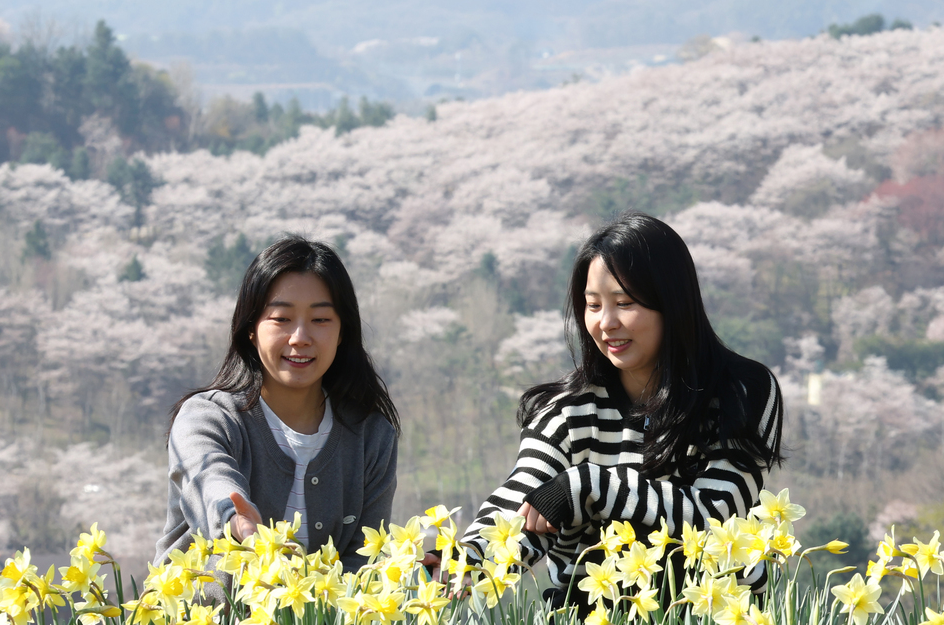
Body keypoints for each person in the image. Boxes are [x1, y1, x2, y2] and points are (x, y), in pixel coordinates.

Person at [464, 212, 783, 603]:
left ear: (672, 303)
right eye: (593, 305)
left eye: (624, 303)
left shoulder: (741, 392)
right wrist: (461, 561)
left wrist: (586, 486)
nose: (606, 323)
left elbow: (716, 516)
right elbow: (522, 500)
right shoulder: (566, 411)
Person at [157, 237, 399, 566]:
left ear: (343, 332)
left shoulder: (372, 437)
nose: (300, 337)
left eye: (321, 320)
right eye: (281, 319)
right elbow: (208, 478)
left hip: (317, 620)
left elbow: (364, 564)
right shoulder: (206, 418)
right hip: (201, 617)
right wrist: (237, 521)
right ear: (251, 329)